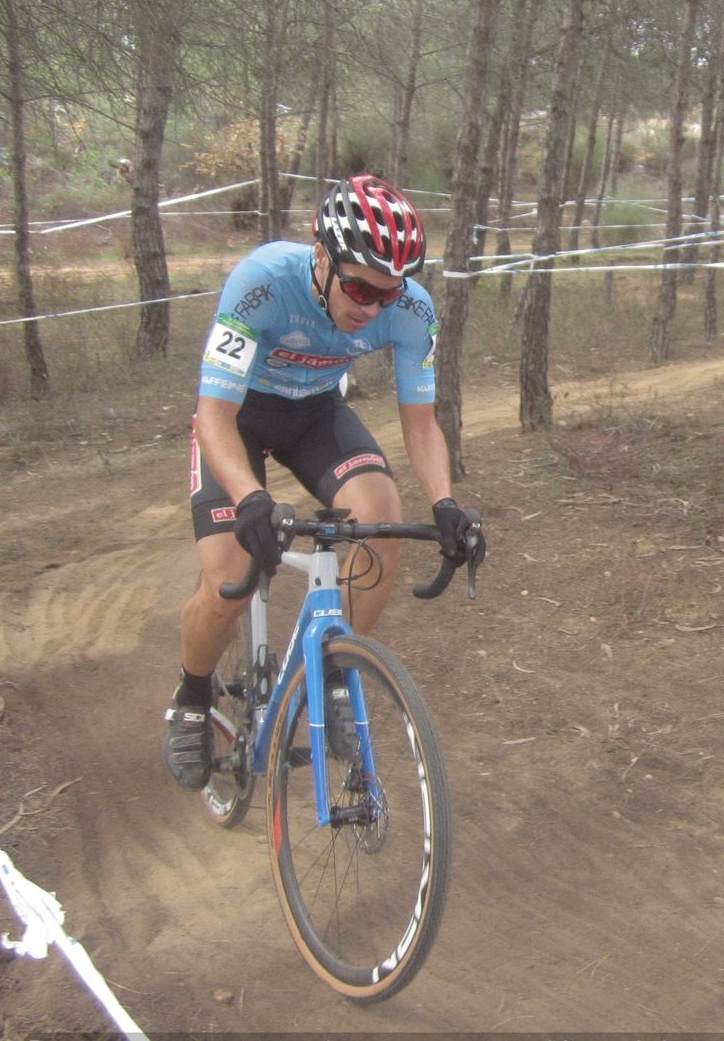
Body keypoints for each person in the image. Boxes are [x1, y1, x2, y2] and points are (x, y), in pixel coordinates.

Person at [164, 174, 485, 789]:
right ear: (321, 256)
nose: (371, 308)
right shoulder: (262, 283)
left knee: (379, 520)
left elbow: (421, 424)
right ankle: (192, 694)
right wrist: (251, 498)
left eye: (388, 295)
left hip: (315, 416)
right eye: (360, 287)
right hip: (239, 417)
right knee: (230, 574)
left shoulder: (413, 309)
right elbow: (214, 414)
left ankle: (332, 671)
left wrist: (445, 502)